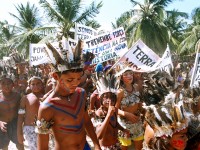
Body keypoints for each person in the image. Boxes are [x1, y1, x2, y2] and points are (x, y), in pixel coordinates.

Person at [36, 40, 101, 150]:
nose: (76, 83)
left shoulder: (81, 93)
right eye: (70, 80)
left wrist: (96, 144)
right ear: (56, 77)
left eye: (79, 78)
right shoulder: (47, 108)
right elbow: (42, 146)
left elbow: (86, 120)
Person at [91, 71, 129, 150]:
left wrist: (123, 129)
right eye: (106, 97)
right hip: (105, 147)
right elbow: (99, 135)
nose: (109, 100)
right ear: (101, 99)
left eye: (112, 97)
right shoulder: (99, 113)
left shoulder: (114, 110)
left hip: (116, 145)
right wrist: (108, 115)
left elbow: (115, 123)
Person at [115, 61, 144, 150]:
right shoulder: (120, 92)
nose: (129, 76)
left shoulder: (137, 87)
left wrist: (142, 111)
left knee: (139, 147)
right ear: (121, 77)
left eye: (131, 73)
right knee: (124, 148)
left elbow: (139, 104)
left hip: (137, 122)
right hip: (124, 125)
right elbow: (114, 110)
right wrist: (127, 114)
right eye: (126, 74)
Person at [17, 76, 44, 150]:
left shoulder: (46, 97)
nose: (35, 86)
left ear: (42, 84)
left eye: (38, 83)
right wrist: (19, 133)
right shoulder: (25, 98)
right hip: (30, 128)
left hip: (44, 128)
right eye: (33, 84)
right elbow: (20, 116)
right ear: (29, 86)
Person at [0, 75, 24, 150]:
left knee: (20, 144)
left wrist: (21, 124)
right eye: (3, 83)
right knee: (4, 146)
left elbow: (21, 111)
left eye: (9, 83)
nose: (6, 85)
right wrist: (0, 122)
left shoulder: (17, 96)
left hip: (15, 124)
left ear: (13, 84)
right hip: (2, 125)